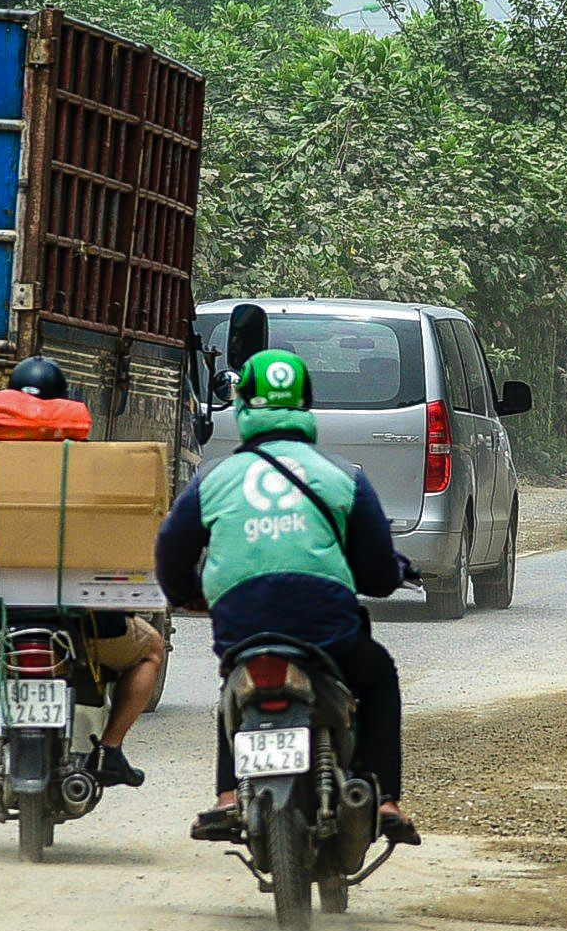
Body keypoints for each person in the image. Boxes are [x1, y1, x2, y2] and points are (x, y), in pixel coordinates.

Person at [154, 348, 420, 846]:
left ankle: (228, 797)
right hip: (326, 630)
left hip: (240, 625)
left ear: (243, 405)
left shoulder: (214, 477)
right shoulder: (344, 475)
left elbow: (171, 547)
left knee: (234, 687)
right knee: (378, 676)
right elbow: (379, 571)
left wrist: (188, 596)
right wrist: (391, 576)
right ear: (307, 405)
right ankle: (383, 799)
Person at [0, 356, 169, 784]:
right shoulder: (78, 452)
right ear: (63, 401)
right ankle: (110, 750)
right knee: (150, 650)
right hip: (83, 626)